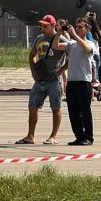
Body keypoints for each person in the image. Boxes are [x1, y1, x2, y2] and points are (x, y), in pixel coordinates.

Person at [19, 15, 68, 145]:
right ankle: (30, 136)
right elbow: (32, 55)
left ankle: (53, 136)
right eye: (42, 25)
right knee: (33, 107)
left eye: (45, 26)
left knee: (56, 108)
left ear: (53, 26)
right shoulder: (39, 38)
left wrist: (59, 72)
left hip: (53, 80)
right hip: (40, 80)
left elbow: (69, 58)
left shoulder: (61, 39)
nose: (43, 28)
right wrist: (33, 71)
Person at [65, 18, 98, 145]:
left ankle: (88, 137)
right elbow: (57, 46)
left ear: (87, 29)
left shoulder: (90, 43)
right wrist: (59, 33)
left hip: (84, 82)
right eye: (76, 27)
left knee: (85, 111)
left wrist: (73, 35)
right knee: (73, 112)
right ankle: (79, 136)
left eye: (80, 27)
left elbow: (86, 49)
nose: (77, 29)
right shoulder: (72, 44)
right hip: (72, 81)